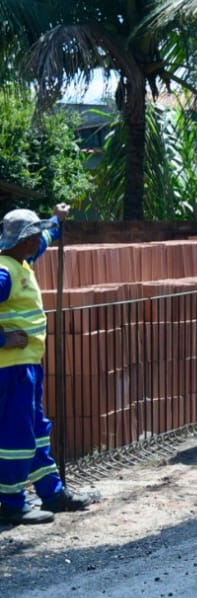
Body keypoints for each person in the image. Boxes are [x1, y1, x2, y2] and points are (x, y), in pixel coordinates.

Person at [0, 205, 98, 524]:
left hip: (28, 366)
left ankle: (52, 494)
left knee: (38, 432)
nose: (40, 240)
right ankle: (13, 503)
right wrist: (4, 341)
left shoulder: (22, 260)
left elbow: (48, 238)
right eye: (37, 235)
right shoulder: (4, 272)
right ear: (26, 240)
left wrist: (58, 220)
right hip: (11, 369)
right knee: (17, 435)